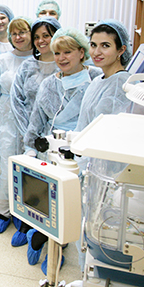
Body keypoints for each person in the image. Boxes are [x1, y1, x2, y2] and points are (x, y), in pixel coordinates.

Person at [24, 28, 102, 272]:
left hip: (84, 154)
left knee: (71, 208)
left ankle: (55, 248)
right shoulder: (49, 84)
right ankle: (42, 240)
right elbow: (36, 119)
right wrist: (30, 148)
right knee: (50, 205)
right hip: (53, 150)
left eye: (67, 52)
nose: (61, 58)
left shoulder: (97, 79)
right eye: (57, 53)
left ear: (82, 52)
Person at [0, 16, 34, 243]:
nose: (18, 37)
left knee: (31, 169)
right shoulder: (2, 60)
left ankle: (27, 215)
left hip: (33, 122)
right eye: (14, 33)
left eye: (23, 32)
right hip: (7, 120)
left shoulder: (40, 61)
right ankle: (4, 211)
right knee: (7, 165)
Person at [10, 17, 62, 151]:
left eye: (46, 36)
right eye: (36, 37)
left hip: (57, 137)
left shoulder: (64, 67)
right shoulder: (27, 67)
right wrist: (28, 134)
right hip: (26, 134)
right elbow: (16, 101)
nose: (40, 41)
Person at [75, 19, 133, 132]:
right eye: (93, 45)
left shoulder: (121, 84)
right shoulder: (98, 80)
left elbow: (105, 130)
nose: (96, 52)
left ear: (121, 50)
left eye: (105, 46)